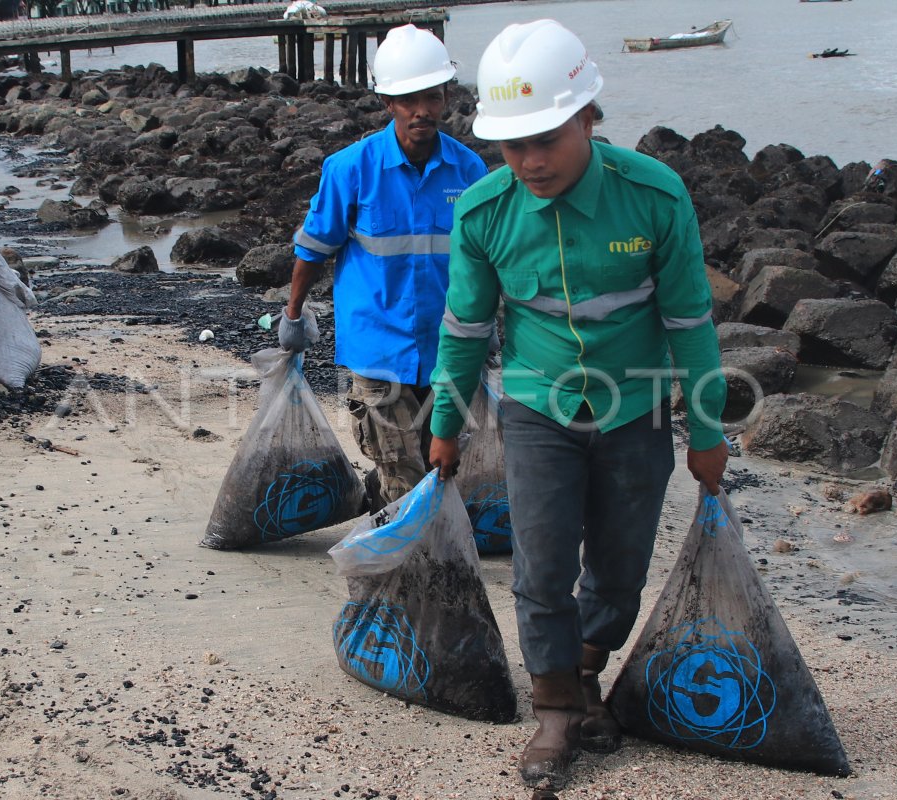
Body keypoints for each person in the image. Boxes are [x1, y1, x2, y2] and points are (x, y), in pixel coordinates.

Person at [427, 20, 728, 789]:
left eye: (547, 139)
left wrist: (707, 427)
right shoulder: (484, 214)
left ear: (590, 117)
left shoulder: (654, 197)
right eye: (512, 144)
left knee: (621, 570)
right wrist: (446, 424)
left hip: (638, 411)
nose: (528, 161)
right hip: (536, 412)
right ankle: (555, 706)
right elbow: (464, 330)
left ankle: (589, 665)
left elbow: (691, 323)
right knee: (541, 564)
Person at [278, 24, 488, 510]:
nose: (422, 111)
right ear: (387, 103)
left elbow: (487, 258)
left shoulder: (470, 172)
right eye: (408, 99)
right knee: (403, 469)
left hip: (450, 348)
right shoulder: (351, 169)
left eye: (432, 98)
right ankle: (404, 568)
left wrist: (493, 328)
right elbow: (313, 249)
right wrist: (292, 317)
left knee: (445, 461)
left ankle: (396, 519)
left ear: (446, 97)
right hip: (378, 344)